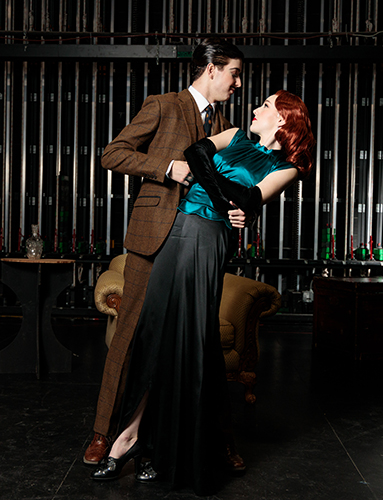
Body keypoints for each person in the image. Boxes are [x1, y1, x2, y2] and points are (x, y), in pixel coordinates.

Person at [90, 89, 315, 495]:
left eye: (266, 105)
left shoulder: (288, 167)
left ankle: (164, 451)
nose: (255, 108)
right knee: (154, 332)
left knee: (189, 341)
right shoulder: (233, 134)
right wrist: (223, 197)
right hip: (176, 229)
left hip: (210, 239)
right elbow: (194, 154)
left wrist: (222, 192)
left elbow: (249, 197)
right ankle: (133, 436)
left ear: (283, 118)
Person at [83, 37, 246, 473]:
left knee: (200, 345)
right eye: (234, 73)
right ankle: (103, 433)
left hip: (198, 246)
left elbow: (229, 185)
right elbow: (113, 154)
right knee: (130, 335)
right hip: (153, 237)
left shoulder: (228, 127)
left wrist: (237, 210)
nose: (238, 83)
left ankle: (216, 440)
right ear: (211, 69)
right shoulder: (163, 105)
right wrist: (167, 168)